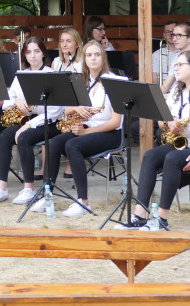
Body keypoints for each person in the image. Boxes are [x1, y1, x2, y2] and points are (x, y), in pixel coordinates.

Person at [125, 50, 190, 230]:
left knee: (172, 159)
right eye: (175, 65)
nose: (176, 68)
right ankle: (139, 215)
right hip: (186, 143)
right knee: (150, 156)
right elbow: (160, 121)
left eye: (180, 64)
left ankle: (161, 219)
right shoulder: (177, 89)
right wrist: (170, 123)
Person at [41, 40, 126, 217]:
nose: (93, 58)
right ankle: (47, 194)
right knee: (54, 142)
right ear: (84, 58)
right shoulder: (82, 82)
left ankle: (83, 201)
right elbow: (66, 110)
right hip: (85, 128)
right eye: (89, 55)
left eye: (97, 54)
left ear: (104, 57)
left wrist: (85, 132)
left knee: (73, 145)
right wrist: (76, 108)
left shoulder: (116, 81)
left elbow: (116, 122)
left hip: (110, 133)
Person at [0, 37, 58, 204]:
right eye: (28, 52)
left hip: (47, 121)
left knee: (23, 137)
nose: (32, 56)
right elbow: (6, 102)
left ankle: (29, 188)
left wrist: (29, 125)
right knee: (5, 137)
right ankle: (2, 188)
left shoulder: (51, 74)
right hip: (27, 119)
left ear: (43, 53)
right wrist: (17, 102)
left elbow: (55, 111)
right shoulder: (21, 74)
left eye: (36, 51)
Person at [161, 22, 190, 93]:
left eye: (179, 35)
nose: (174, 39)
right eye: (174, 35)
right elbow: (165, 87)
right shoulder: (177, 58)